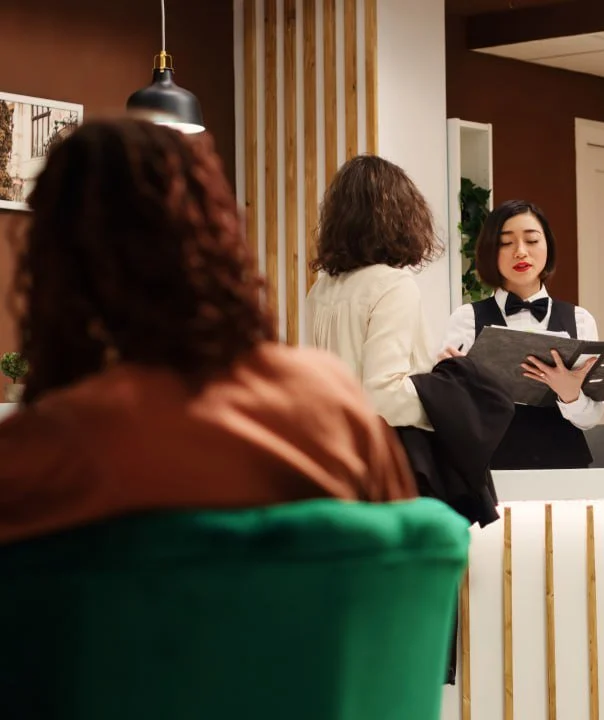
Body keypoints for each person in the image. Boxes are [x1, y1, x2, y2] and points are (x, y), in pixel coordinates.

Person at [0, 118, 416, 546]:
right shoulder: (335, 416)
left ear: (49, 266)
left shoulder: (26, 463)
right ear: (222, 236)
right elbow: (406, 561)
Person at [439, 200, 604, 469]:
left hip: (565, 469)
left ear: (547, 246)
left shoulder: (580, 319)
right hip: (490, 470)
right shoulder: (466, 319)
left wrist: (570, 395)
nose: (520, 252)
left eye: (532, 240)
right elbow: (450, 414)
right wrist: (450, 385)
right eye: (506, 243)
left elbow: (591, 419)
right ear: (490, 251)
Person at [305, 154, 441, 430]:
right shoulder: (392, 285)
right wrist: (447, 395)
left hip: (339, 443)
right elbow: (384, 396)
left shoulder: (321, 289)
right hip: (386, 449)